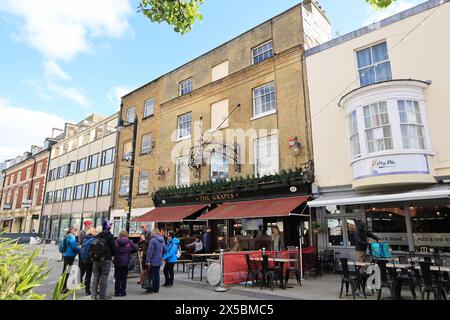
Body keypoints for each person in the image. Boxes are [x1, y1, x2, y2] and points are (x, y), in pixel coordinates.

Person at [90, 220, 115, 300]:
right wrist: (113, 255)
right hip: (106, 259)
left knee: (95, 277)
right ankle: (102, 295)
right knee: (104, 277)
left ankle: (93, 296)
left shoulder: (98, 235)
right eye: (110, 225)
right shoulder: (110, 236)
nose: (111, 226)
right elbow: (113, 249)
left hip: (96, 259)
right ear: (108, 226)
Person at [113, 230, 138, 297]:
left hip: (117, 261)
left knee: (117, 277)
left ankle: (117, 292)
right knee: (124, 277)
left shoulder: (116, 241)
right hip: (126, 261)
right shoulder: (129, 242)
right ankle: (123, 292)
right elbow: (136, 248)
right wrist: (129, 251)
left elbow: (113, 250)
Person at [146, 229, 166, 294]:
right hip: (159, 259)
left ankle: (151, 288)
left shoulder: (153, 240)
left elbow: (150, 251)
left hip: (153, 259)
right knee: (157, 274)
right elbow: (165, 249)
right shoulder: (162, 240)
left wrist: (148, 260)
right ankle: (156, 289)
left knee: (152, 275)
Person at [61, 226, 80, 293]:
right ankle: (64, 288)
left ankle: (62, 287)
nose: (77, 232)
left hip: (66, 255)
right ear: (73, 230)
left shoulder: (67, 236)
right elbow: (74, 247)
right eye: (76, 230)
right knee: (67, 272)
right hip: (70, 256)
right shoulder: (72, 237)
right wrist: (80, 248)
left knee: (65, 271)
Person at [79, 227, 97, 296]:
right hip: (90, 260)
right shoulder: (93, 239)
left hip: (84, 259)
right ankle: (88, 290)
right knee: (89, 275)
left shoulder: (85, 239)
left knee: (87, 275)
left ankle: (87, 291)